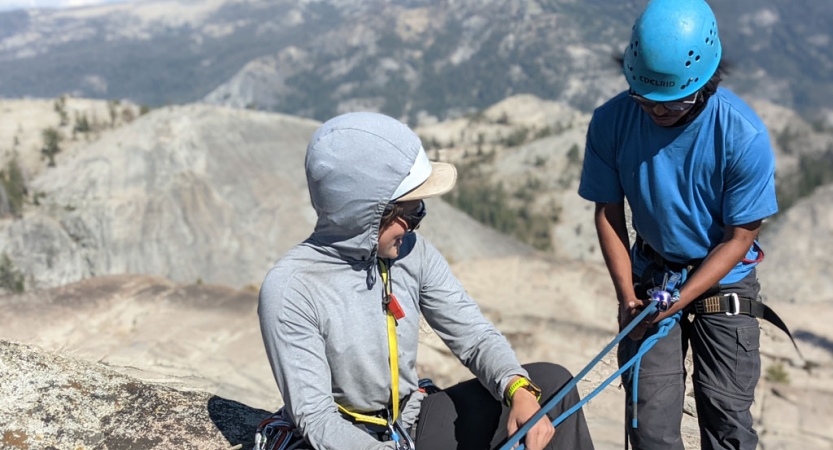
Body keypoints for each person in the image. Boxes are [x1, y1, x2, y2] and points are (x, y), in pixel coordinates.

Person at [258, 112, 595, 450]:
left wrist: (516, 388)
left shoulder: (412, 252)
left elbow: (473, 335)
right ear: (365, 214)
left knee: (554, 385)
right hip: (352, 438)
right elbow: (316, 417)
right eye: (410, 214)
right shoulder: (292, 290)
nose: (416, 226)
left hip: (411, 421)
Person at [577, 0, 779, 449]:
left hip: (726, 277)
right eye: (645, 100)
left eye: (674, 102)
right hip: (650, 273)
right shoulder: (612, 121)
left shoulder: (741, 134)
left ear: (706, 81)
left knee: (725, 416)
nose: (657, 112)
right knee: (648, 421)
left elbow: (741, 236)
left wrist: (682, 298)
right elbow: (608, 211)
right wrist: (627, 295)